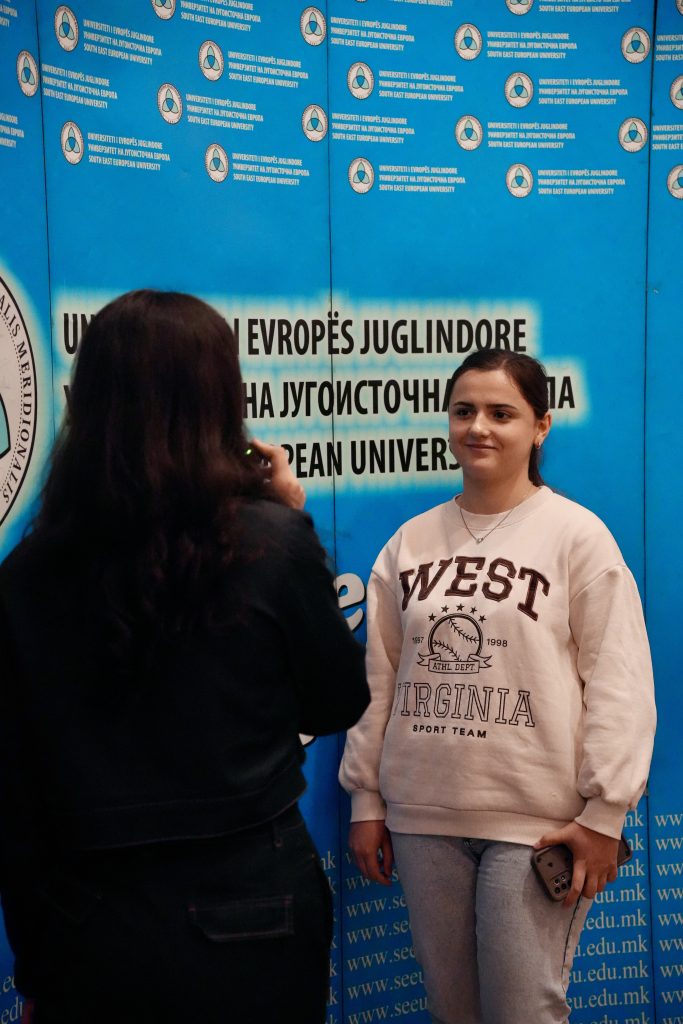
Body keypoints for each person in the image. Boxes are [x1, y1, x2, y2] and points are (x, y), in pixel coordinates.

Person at [0, 290, 369, 1024]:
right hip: (252, 910)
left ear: (91, 401)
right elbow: (336, 702)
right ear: (219, 398)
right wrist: (289, 520)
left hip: (89, 927)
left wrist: (36, 966)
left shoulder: (29, 570)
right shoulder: (271, 543)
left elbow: (18, 796)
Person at [339, 349, 655, 1024]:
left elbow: (619, 681)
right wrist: (366, 796)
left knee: (521, 1013)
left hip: (537, 828)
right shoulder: (409, 542)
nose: (477, 427)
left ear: (540, 426)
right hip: (422, 818)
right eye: (463, 411)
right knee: (453, 1013)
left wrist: (605, 815)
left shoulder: (576, 537)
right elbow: (379, 676)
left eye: (500, 413)